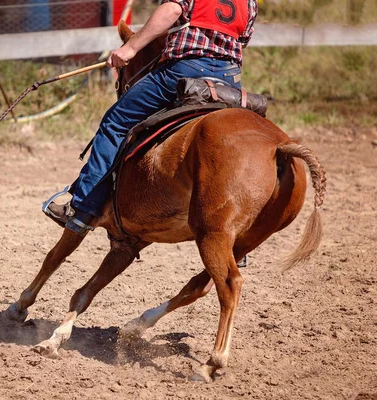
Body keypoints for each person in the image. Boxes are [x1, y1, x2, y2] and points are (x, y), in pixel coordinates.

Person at [44, 0, 258, 236]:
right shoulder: (249, 2)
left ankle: (82, 208)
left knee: (114, 123)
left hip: (185, 70)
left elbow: (172, 9)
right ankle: (235, 229)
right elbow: (243, 40)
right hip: (228, 79)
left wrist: (130, 48)